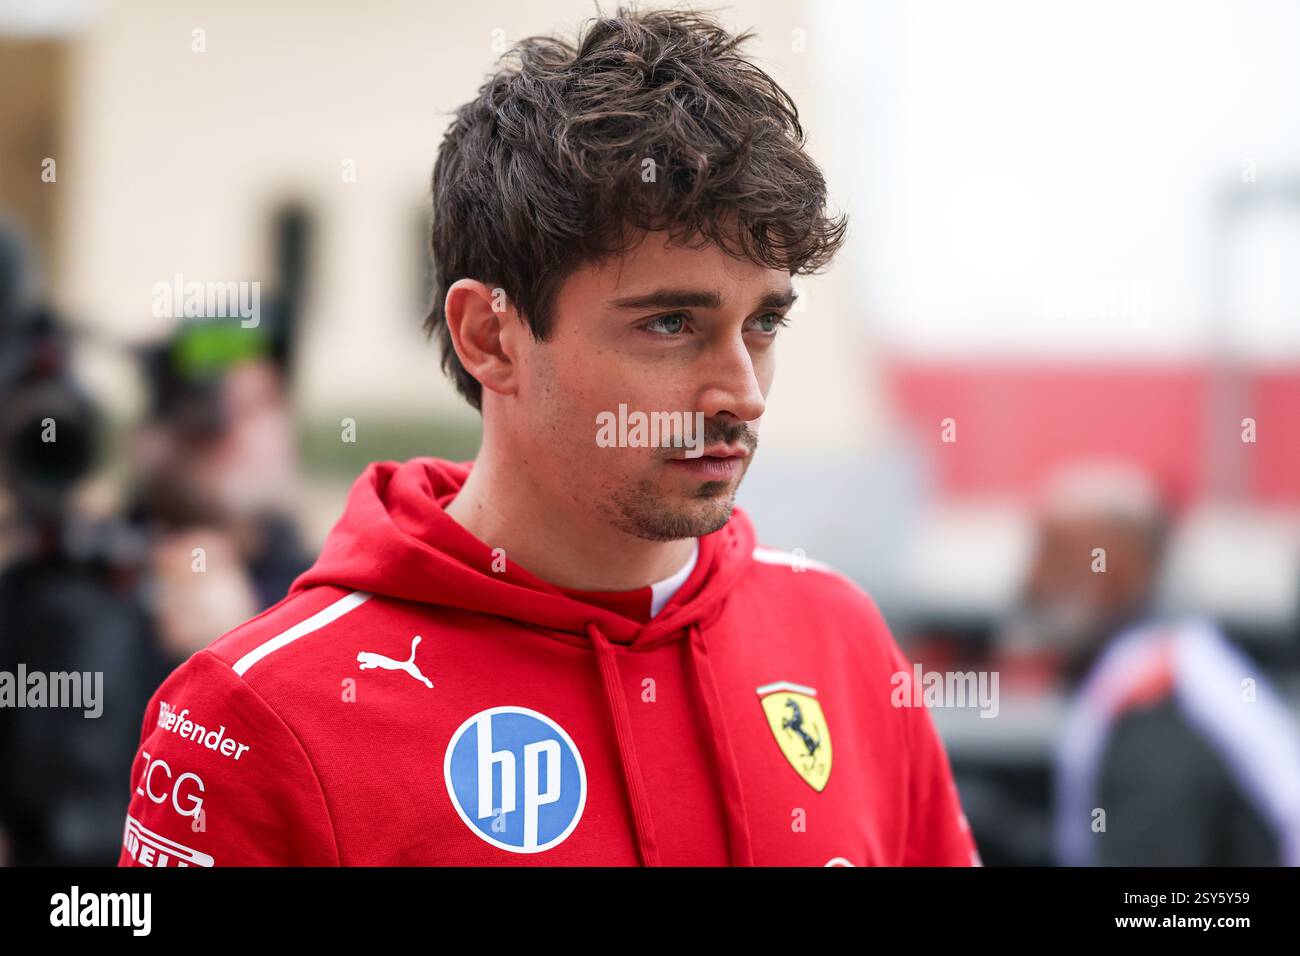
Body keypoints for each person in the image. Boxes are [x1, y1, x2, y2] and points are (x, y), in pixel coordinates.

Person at [116, 6, 978, 867]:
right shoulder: (256, 714)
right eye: (672, 323)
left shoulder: (839, 637)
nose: (743, 394)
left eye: (763, 325)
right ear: (489, 337)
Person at [1009, 460, 1300, 865]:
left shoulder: (1159, 715)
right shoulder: (1177, 676)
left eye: (1054, 556)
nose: (1030, 582)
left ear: (1121, 570)